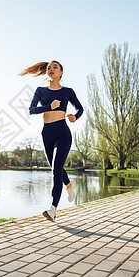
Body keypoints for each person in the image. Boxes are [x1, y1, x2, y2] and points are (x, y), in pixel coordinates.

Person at [19, 60, 84, 222]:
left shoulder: (68, 91)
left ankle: (53, 209)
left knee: (56, 170)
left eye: (55, 67)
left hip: (62, 132)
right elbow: (31, 110)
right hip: (47, 133)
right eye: (49, 68)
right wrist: (49, 107)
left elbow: (80, 108)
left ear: (61, 72)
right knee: (56, 168)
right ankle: (69, 185)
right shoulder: (41, 91)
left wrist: (74, 117)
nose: (51, 69)